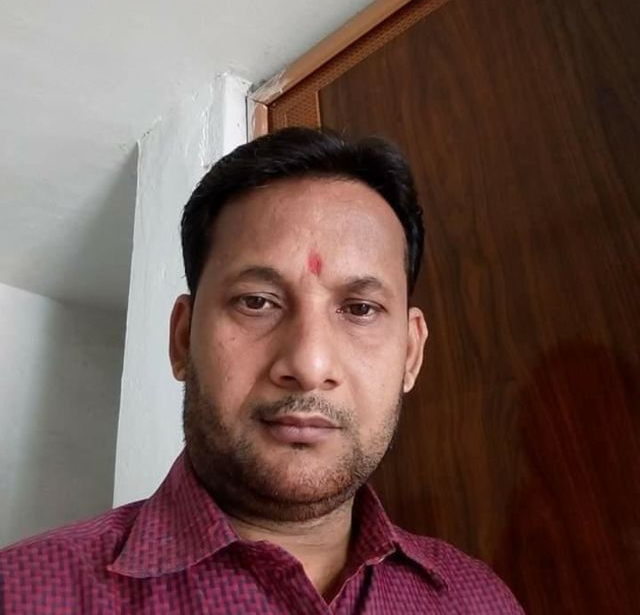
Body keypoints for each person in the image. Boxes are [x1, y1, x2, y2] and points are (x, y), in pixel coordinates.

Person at [0, 128, 524, 614]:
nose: (309, 365)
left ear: (411, 353)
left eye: (360, 309)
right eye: (257, 302)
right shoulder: (24, 593)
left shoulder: (480, 601)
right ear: (182, 338)